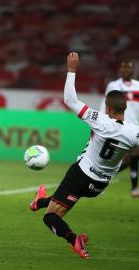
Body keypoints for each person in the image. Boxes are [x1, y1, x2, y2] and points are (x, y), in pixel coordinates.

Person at [29, 52, 139, 259]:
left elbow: (70, 100)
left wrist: (71, 70)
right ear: (125, 108)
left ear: (107, 107)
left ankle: (73, 239)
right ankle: (39, 201)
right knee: (65, 199)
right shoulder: (134, 133)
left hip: (81, 174)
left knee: (51, 218)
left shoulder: (100, 120)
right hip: (99, 186)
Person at [100, 60, 139, 197]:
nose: (126, 70)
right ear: (120, 70)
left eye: (128, 67)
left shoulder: (138, 86)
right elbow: (106, 104)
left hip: (134, 128)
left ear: (133, 70)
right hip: (116, 126)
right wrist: (103, 122)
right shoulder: (113, 85)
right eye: (123, 67)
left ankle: (134, 188)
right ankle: (101, 179)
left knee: (134, 155)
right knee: (119, 159)